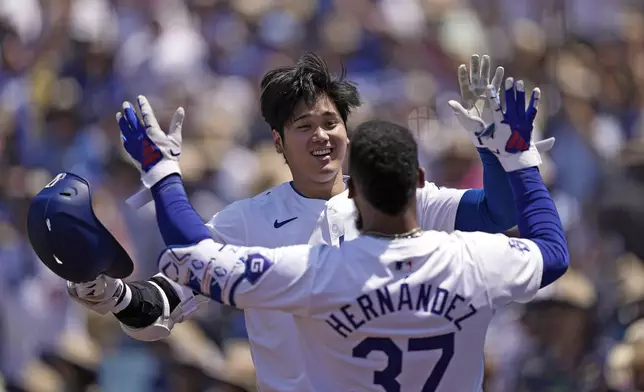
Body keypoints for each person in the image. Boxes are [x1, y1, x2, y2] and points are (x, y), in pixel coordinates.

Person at [67, 54, 555, 391]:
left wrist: (492, 152)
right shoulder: (244, 221)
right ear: (278, 144)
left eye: (330, 122)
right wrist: (118, 297)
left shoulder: (402, 202)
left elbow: (499, 214)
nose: (321, 136)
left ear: (348, 130)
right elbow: (165, 308)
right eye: (303, 127)